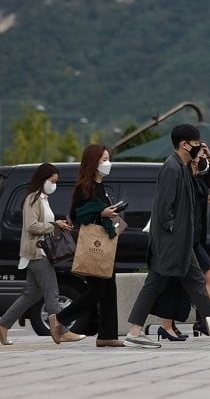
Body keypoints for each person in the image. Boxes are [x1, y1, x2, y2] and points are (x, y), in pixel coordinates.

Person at [122, 125, 210, 349]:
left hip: (180, 241)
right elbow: (165, 208)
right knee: (157, 284)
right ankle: (135, 332)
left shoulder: (183, 167)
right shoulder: (172, 168)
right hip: (172, 243)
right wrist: (175, 232)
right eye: (196, 143)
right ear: (184, 144)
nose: (198, 146)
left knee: (194, 283)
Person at [148, 140, 210, 341]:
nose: (201, 162)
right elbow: (168, 206)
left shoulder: (195, 178)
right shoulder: (183, 176)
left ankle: (200, 322)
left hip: (194, 239)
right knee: (174, 280)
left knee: (198, 279)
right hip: (183, 238)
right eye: (199, 157)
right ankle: (171, 325)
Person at [0, 163, 84, 345]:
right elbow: (31, 226)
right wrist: (55, 225)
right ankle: (61, 330)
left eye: (56, 182)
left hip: (39, 252)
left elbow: (42, 224)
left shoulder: (43, 199)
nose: (54, 185)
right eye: (52, 181)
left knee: (31, 295)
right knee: (52, 292)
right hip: (38, 253)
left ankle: (3, 324)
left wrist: (58, 224)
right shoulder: (33, 198)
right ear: (42, 179)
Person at [53, 144, 124, 347]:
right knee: (97, 291)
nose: (107, 163)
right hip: (94, 244)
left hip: (106, 244)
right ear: (93, 162)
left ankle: (107, 335)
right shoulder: (85, 186)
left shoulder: (102, 187)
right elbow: (76, 215)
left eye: (108, 159)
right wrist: (101, 213)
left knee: (109, 290)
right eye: (103, 160)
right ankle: (59, 319)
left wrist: (110, 213)